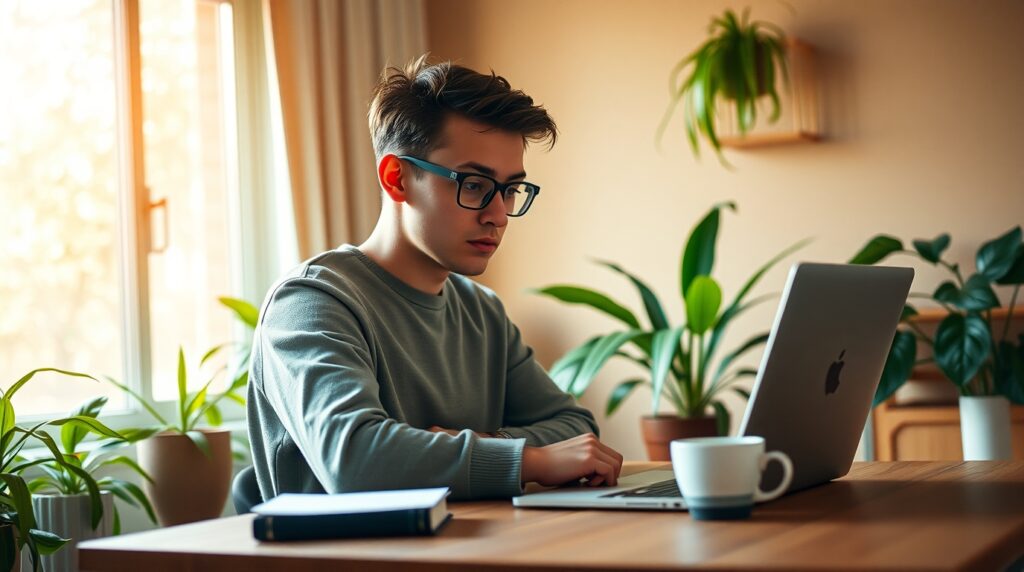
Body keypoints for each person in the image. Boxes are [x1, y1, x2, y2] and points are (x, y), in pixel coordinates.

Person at [247, 55, 623, 501]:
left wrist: (482, 447)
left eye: (510, 189)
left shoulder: (481, 311)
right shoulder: (311, 303)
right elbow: (353, 458)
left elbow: (575, 428)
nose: (499, 214)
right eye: (474, 184)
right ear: (397, 178)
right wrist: (528, 460)